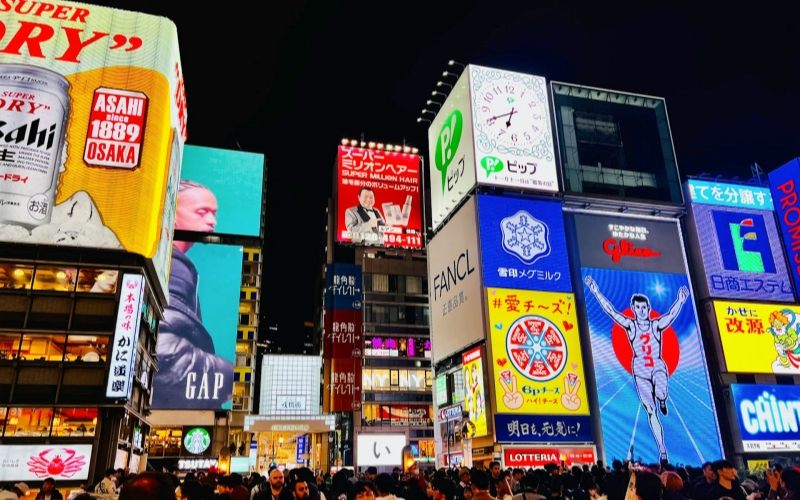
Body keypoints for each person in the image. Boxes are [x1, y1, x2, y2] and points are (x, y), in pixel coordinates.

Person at [584, 276, 690, 463]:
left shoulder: (655, 325)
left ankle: (662, 399)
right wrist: (596, 292)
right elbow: (611, 312)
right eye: (638, 308)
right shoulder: (631, 326)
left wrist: (680, 301)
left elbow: (671, 315)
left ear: (648, 308)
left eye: (644, 307)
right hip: (640, 370)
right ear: (633, 309)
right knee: (651, 410)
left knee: (661, 392)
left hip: (657, 365)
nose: (641, 311)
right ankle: (662, 450)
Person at [153, 179, 234, 409]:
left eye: (214, 213)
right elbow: (163, 351)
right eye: (202, 212)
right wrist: (231, 377)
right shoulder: (172, 264)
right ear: (172, 212)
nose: (212, 221)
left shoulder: (172, 261)